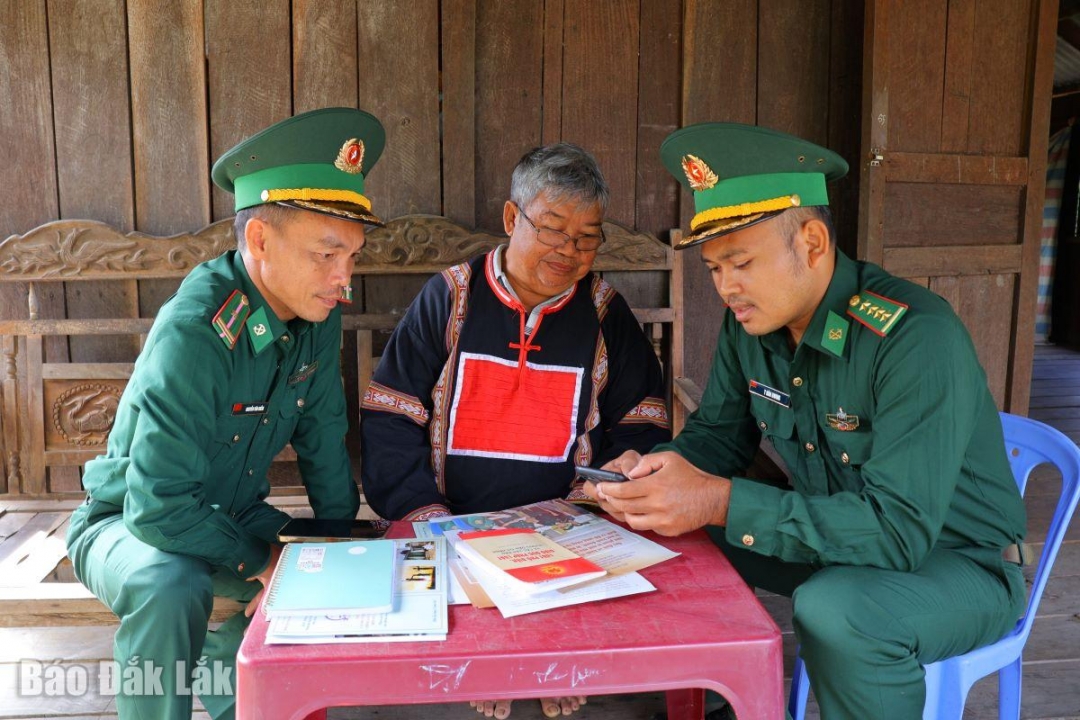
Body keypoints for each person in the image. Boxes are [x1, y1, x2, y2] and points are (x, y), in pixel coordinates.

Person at [587, 122, 1028, 719]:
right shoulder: (754, 323)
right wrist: (663, 476)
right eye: (715, 269)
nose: (726, 288)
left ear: (813, 243)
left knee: (836, 610)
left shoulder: (914, 337)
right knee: (663, 522)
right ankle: (715, 702)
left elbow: (897, 532)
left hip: (953, 565)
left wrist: (715, 500)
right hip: (834, 540)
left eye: (740, 262)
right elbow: (717, 435)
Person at [65, 107, 386, 720]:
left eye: (353, 255)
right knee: (170, 583)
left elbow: (324, 436)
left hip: (228, 516)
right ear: (260, 240)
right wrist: (264, 563)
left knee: (333, 582)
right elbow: (157, 505)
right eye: (326, 253)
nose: (344, 278)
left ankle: (225, 680)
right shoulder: (198, 331)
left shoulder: (318, 314)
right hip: (126, 523)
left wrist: (338, 543)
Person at [360, 142, 671, 718]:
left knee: (588, 593)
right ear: (512, 219)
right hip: (446, 520)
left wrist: (623, 471)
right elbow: (391, 414)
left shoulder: (605, 313)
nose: (569, 251)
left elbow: (642, 421)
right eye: (552, 229)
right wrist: (430, 516)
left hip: (566, 526)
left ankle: (545, 660)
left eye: (586, 237)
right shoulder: (451, 295)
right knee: (445, 588)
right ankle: (493, 662)